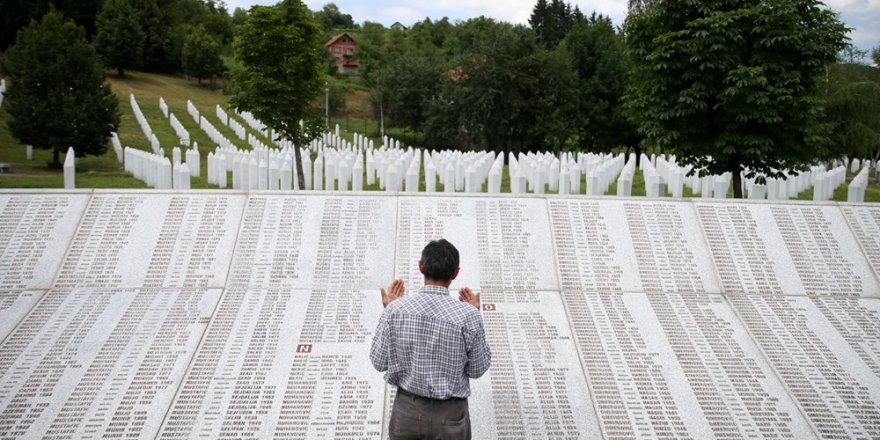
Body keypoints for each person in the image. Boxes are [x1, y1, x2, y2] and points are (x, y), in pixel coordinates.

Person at [370, 239, 491, 439]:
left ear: (421, 266)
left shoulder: (395, 310)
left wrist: (389, 311)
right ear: (455, 273)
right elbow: (477, 370)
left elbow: (378, 361)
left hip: (407, 413)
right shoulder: (469, 316)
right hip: (451, 417)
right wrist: (475, 314)